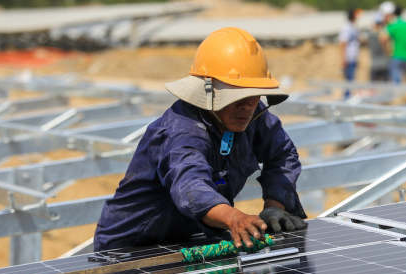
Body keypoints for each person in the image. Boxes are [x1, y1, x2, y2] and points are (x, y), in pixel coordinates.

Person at [94, 27, 307, 252]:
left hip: (187, 240)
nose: (247, 105)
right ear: (209, 91)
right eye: (236, 95)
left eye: (254, 94)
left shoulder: (252, 116)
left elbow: (282, 153)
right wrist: (233, 217)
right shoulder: (181, 132)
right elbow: (191, 186)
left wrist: (275, 206)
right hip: (131, 249)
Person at [339, 9, 361, 98]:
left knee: (351, 80)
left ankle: (348, 97)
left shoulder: (353, 27)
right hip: (349, 57)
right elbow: (343, 43)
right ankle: (346, 98)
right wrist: (343, 58)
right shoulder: (347, 28)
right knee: (348, 81)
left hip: (353, 57)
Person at [367, 12, 390, 82]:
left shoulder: (370, 35)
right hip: (385, 64)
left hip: (374, 65)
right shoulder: (385, 35)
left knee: (373, 89)